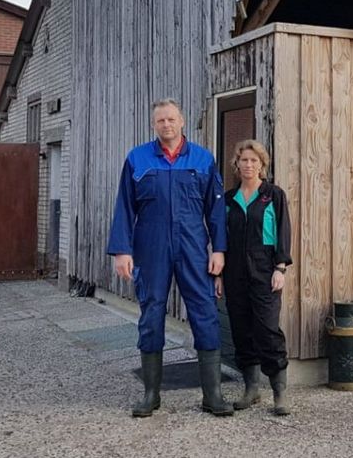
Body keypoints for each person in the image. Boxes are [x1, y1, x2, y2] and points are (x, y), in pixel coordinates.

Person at [107, 98, 233, 418]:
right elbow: (125, 206)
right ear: (154, 125)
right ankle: (151, 394)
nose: (166, 125)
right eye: (160, 120)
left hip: (192, 246)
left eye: (171, 119)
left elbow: (216, 211)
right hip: (150, 246)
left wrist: (218, 249)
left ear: (182, 122)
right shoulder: (137, 159)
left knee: (204, 312)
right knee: (151, 314)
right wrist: (123, 250)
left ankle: (213, 395)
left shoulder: (203, 159)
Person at [217, 139, 292, 416]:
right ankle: (251, 388)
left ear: (262, 165)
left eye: (254, 161)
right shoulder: (227, 200)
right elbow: (220, 239)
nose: (249, 165)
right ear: (236, 165)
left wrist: (280, 267)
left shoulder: (273, 195)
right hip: (234, 273)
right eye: (244, 160)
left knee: (268, 330)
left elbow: (283, 232)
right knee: (241, 329)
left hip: (265, 271)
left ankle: (279, 392)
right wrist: (219, 274)